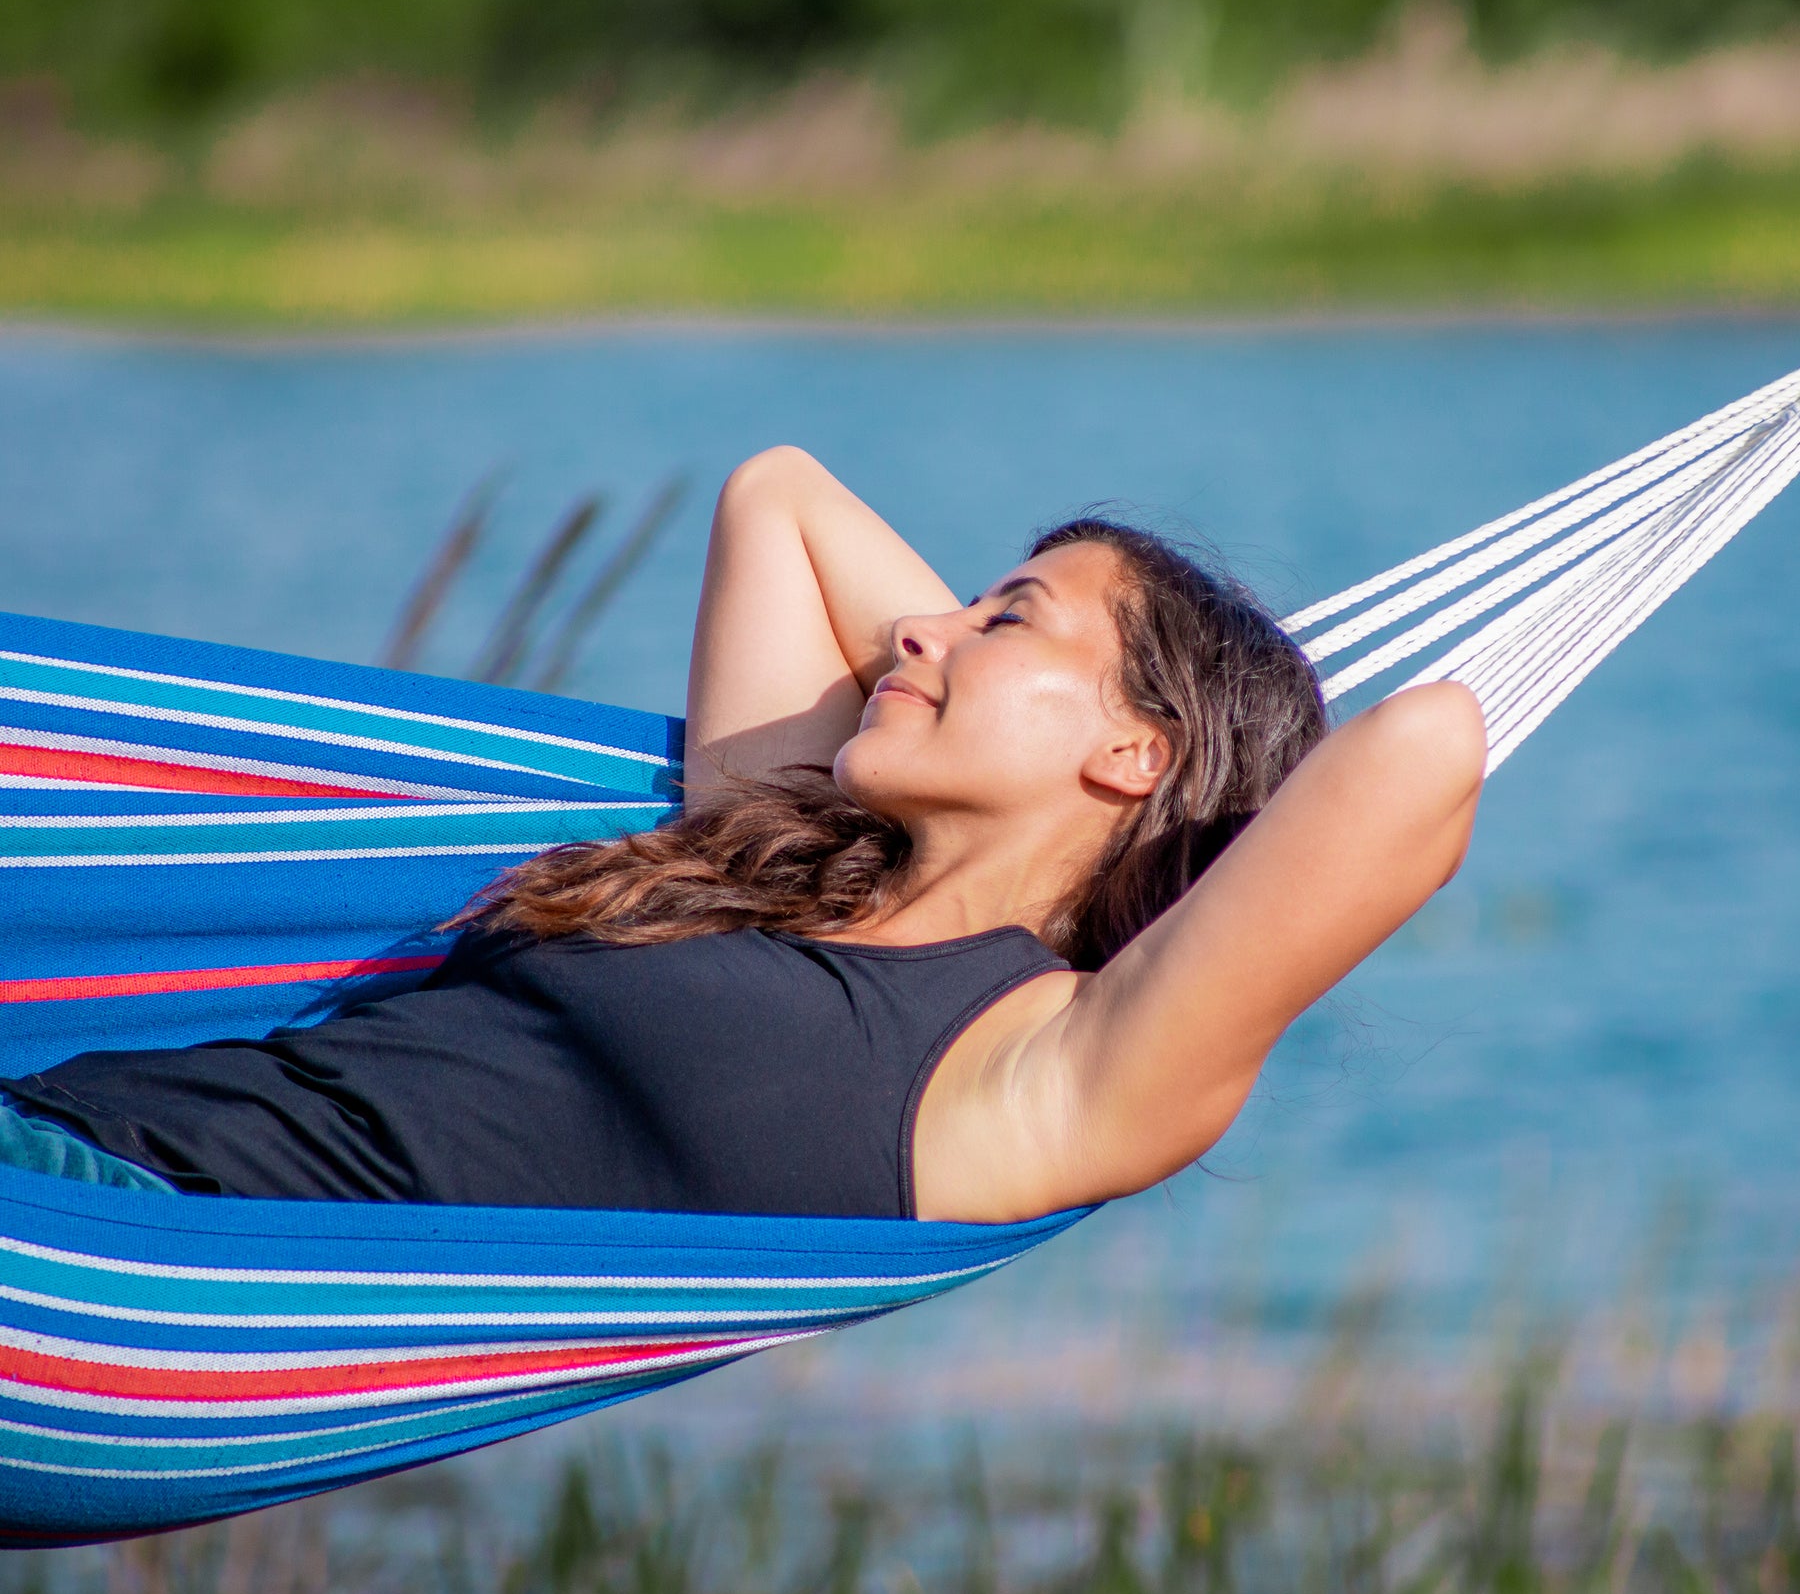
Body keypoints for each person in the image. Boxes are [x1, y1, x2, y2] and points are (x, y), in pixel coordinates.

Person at [0, 448, 1486, 1221]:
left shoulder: (1044, 1075)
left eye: (1004, 614)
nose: (917, 625)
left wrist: (1142, 799)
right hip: (62, 1153)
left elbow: (1427, 748)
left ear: (1132, 749)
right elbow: (780, 496)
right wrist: (976, 693)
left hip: (129, 1250)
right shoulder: (772, 853)